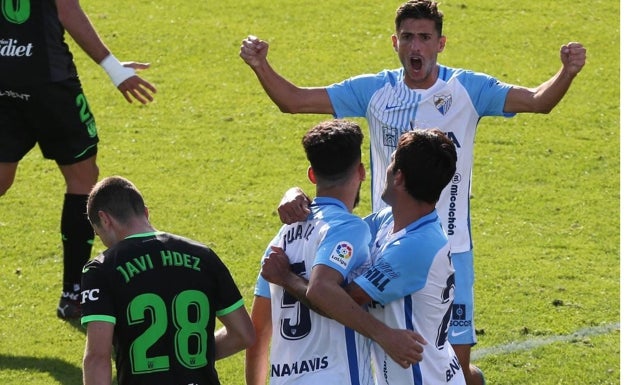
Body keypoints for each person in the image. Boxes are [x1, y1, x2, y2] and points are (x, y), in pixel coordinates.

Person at [239, 1, 586, 383]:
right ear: (395, 42)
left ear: (441, 43)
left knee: (447, 360)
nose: (415, 46)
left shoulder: (467, 89)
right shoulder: (376, 91)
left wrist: (566, 72)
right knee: (400, 362)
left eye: (424, 37)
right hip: (388, 243)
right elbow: (295, 101)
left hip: (452, 249)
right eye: (408, 37)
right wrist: (260, 65)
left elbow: (538, 101)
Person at [263, 129, 464, 384]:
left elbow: (335, 300)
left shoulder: (415, 247)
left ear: (399, 178)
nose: (384, 170)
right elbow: (334, 229)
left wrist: (285, 278)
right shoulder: (389, 220)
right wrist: (294, 195)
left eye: (391, 163)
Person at [0, 0, 157, 319]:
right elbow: (66, 8)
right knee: (82, 179)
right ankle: (73, 294)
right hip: (50, 85)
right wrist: (114, 69)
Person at [80, 176, 255, 385]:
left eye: (99, 234)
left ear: (105, 219)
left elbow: (97, 358)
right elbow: (243, 334)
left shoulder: (102, 268)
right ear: (145, 212)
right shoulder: (203, 256)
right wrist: (188, 356)